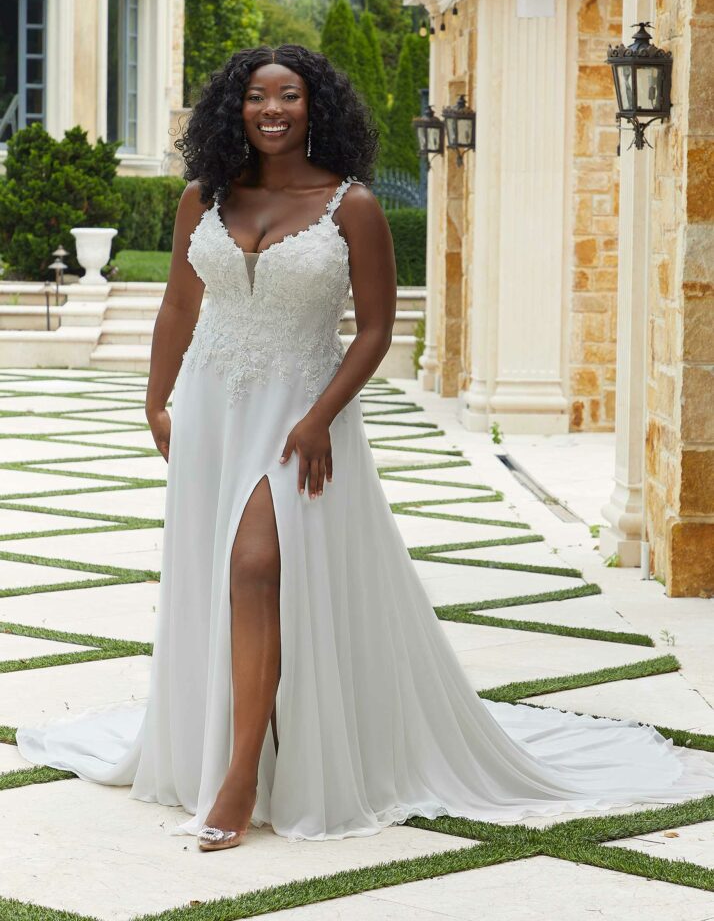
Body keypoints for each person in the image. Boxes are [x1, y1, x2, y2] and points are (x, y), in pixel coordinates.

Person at [16, 45, 714, 853]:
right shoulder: (201, 198)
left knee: (254, 567)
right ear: (232, 109)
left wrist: (318, 419)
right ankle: (244, 747)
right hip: (212, 407)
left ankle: (241, 774)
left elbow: (378, 329)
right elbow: (180, 302)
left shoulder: (352, 206)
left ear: (316, 109)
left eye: (289, 96)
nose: (272, 109)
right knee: (237, 584)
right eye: (256, 96)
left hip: (302, 415)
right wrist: (154, 400)